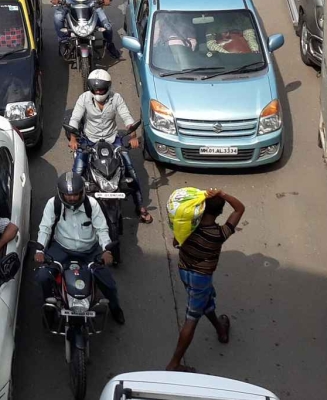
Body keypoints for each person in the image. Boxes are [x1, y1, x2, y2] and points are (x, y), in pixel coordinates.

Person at [166, 189, 245, 372]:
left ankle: (220, 329)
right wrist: (223, 194)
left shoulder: (188, 227)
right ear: (219, 213)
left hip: (184, 271)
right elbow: (239, 209)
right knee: (191, 319)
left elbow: (175, 243)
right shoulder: (219, 234)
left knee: (205, 301)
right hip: (201, 278)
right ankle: (174, 363)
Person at [33, 172, 124, 324]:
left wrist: (106, 251)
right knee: (42, 277)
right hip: (61, 249)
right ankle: (49, 309)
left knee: (108, 283)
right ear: (60, 193)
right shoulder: (53, 204)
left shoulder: (92, 204)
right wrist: (40, 251)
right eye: (68, 195)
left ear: (82, 191)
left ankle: (115, 308)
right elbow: (45, 228)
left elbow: (102, 229)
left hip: (89, 250)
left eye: (76, 194)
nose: (73, 198)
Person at [66, 69, 153, 224]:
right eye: (96, 89)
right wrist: (73, 139)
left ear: (108, 87)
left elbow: (127, 117)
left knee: (130, 170)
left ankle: (140, 206)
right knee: (77, 171)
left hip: (112, 139)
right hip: (89, 139)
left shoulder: (116, 98)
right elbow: (75, 119)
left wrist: (133, 137)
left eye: (102, 88)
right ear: (91, 88)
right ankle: (73, 208)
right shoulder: (84, 98)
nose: (99, 91)